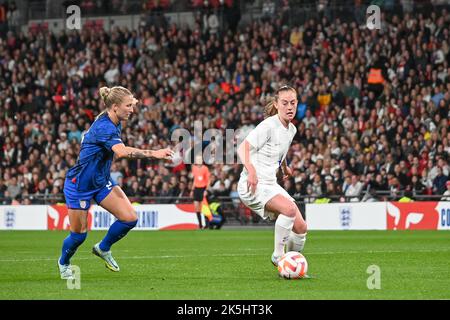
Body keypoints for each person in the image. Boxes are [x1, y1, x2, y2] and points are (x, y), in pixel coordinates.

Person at [58, 86, 174, 280]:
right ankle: (64, 263)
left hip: (101, 181)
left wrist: (132, 99)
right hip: (80, 185)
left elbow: (124, 105)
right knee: (78, 236)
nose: (132, 109)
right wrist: (154, 153)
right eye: (128, 106)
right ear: (114, 107)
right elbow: (120, 152)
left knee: (129, 218)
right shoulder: (105, 126)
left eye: (132, 105)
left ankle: (103, 248)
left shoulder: (114, 118)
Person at [237, 85, 307, 267]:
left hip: (270, 184)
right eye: (285, 103)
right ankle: (278, 256)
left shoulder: (291, 130)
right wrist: (251, 171)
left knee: (301, 228)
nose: (289, 107)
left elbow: (279, 150)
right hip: (252, 184)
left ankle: (291, 265)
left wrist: (285, 167)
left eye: (293, 103)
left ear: (297, 103)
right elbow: (242, 148)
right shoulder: (268, 126)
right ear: (276, 104)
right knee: (289, 210)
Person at [190, 155, 210, 229]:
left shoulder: (205, 169)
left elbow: (208, 180)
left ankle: (207, 224)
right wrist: (192, 190)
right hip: (196, 189)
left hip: (203, 189)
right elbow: (195, 180)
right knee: (197, 207)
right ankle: (200, 224)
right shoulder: (194, 168)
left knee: (204, 207)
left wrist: (206, 190)